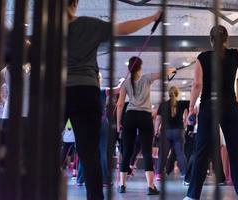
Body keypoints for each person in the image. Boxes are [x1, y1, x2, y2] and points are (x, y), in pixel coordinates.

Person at [67, 1, 162, 199]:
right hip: (86, 90)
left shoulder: (47, 29)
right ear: (75, 3)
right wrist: (152, 17)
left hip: (58, 91)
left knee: (47, 149)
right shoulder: (87, 24)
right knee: (90, 154)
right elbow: (122, 29)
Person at [184, 25, 238, 200]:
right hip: (229, 106)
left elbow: (197, 85)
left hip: (208, 105)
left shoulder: (203, 58)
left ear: (211, 41)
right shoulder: (235, 54)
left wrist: (191, 108)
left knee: (202, 152)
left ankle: (192, 196)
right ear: (227, 39)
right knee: (236, 152)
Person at [116, 56, 175, 195]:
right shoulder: (146, 78)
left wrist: (119, 123)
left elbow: (119, 104)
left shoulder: (125, 83)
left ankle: (122, 185)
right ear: (140, 67)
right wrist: (171, 69)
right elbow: (162, 73)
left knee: (127, 152)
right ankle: (150, 186)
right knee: (147, 152)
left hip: (130, 116)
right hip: (144, 117)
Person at [155, 86, 188, 180]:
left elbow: (158, 119)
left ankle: (158, 175)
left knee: (163, 154)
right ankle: (185, 175)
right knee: (180, 153)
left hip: (165, 132)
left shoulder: (163, 104)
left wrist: (156, 131)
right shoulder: (181, 103)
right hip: (179, 131)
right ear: (177, 94)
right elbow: (192, 106)